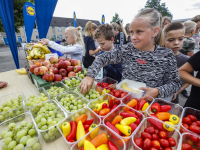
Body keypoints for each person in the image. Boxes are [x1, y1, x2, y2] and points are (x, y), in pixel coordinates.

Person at [79, 8, 182, 101]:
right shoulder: (128, 49)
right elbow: (103, 57)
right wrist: (89, 76)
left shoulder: (166, 55)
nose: (133, 37)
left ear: (155, 31)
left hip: (148, 106)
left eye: (139, 32)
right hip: (125, 101)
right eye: (131, 32)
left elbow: (175, 84)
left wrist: (158, 91)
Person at [163, 22, 190, 103]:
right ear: (163, 40)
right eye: (171, 40)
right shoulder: (157, 56)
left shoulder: (186, 60)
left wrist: (178, 91)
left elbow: (188, 80)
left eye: (180, 39)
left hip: (172, 99)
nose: (176, 43)